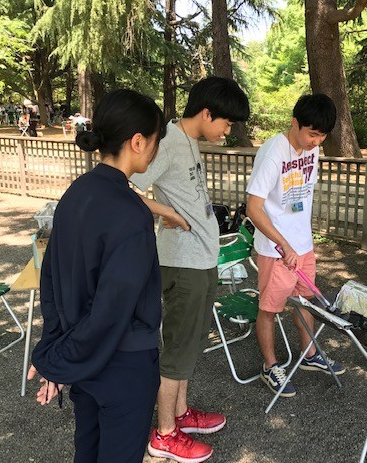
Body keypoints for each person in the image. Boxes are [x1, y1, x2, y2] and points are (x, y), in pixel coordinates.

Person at [27, 89, 167, 462]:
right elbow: (112, 308)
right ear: (137, 142)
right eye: (154, 142)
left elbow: (51, 281)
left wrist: (60, 353)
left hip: (86, 361)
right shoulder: (131, 212)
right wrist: (57, 359)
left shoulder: (76, 194)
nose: (154, 151)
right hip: (124, 365)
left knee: (87, 451)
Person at [130, 76, 250, 463]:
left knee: (191, 343)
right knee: (178, 350)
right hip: (182, 265)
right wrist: (165, 212)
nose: (228, 131)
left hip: (200, 259)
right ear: (206, 112)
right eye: (226, 123)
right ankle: (164, 434)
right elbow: (122, 183)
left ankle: (181, 415)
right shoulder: (166, 143)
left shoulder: (189, 141)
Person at [246, 93, 345, 398]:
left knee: (305, 302)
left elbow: (299, 198)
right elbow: (253, 208)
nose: (316, 142)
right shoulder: (274, 151)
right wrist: (283, 243)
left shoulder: (312, 150)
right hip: (275, 249)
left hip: (302, 245)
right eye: (312, 133)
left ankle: (310, 354)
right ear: (294, 123)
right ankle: (270, 366)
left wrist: (299, 243)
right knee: (269, 308)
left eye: (323, 135)